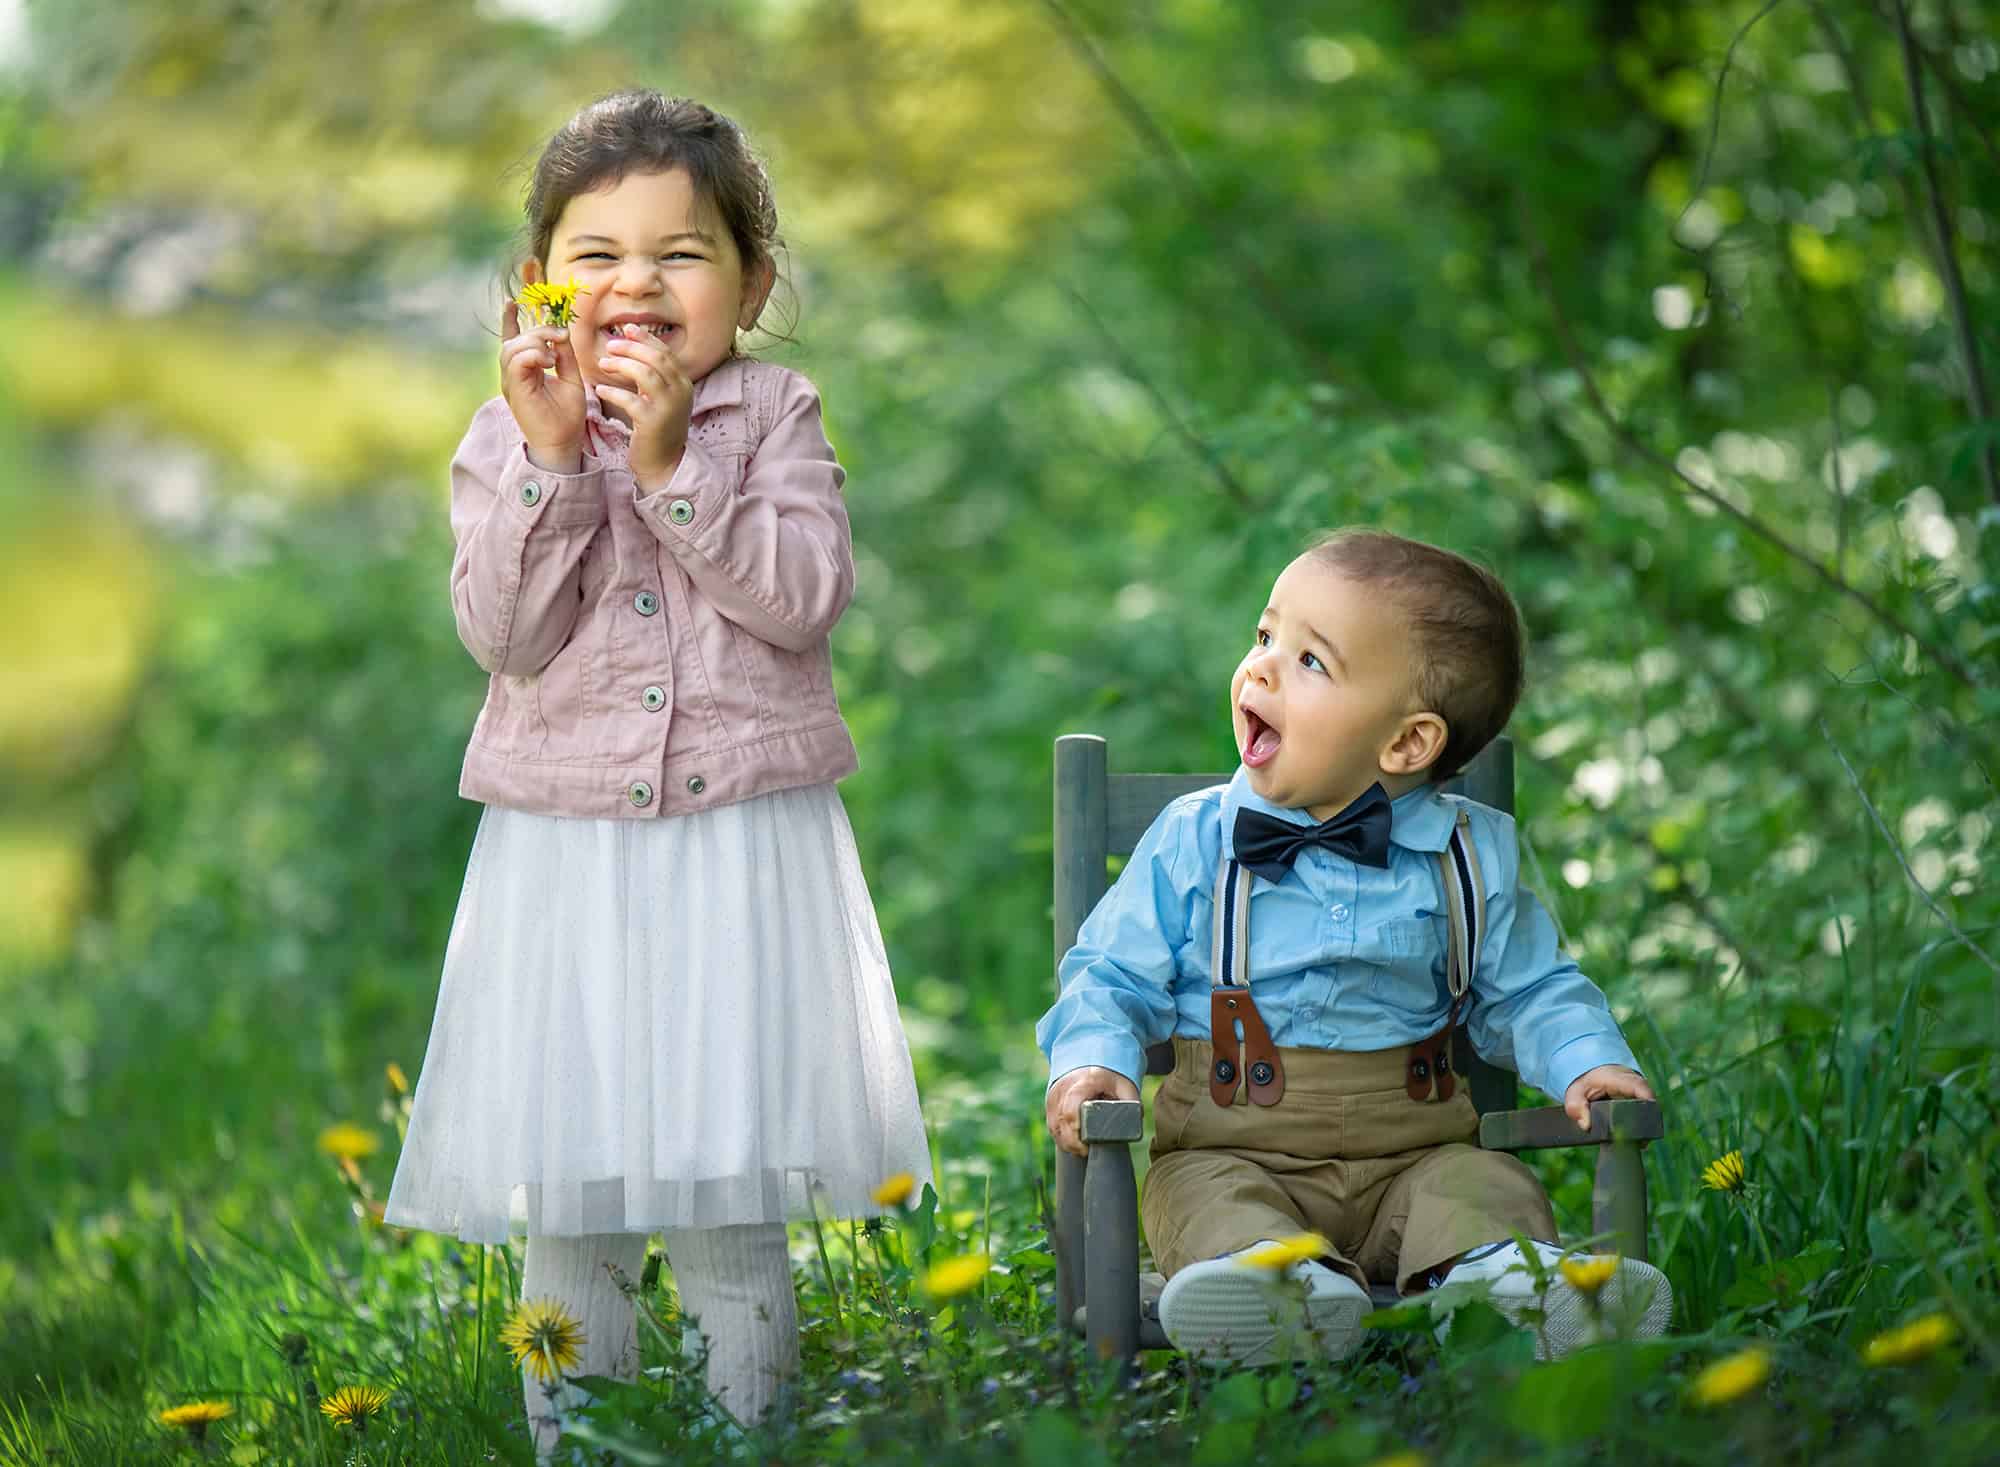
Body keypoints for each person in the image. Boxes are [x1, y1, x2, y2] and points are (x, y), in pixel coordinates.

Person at [383, 90, 930, 1453]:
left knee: (724, 1205)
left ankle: (748, 1439)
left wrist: (676, 465)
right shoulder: (511, 433)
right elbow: (504, 638)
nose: (636, 281)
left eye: (681, 254)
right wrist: (560, 464)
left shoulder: (775, 414)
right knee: (574, 1212)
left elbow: (802, 600)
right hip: (565, 860)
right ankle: (580, 1440)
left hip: (737, 850)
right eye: (594, 254)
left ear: (751, 281)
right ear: (538, 285)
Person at [1038, 529, 1671, 1365]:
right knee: (1207, 1199)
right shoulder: (1197, 840)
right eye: (1267, 637)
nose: (1260, 667)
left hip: (1416, 1154)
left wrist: (1586, 1059)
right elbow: (1111, 973)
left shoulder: (1470, 856)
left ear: (1408, 744)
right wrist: (1094, 1058)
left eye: (1310, 661)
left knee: (1484, 1187)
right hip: (1236, 1151)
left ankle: (1504, 1281)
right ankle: (1272, 1285)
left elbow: (1532, 990)